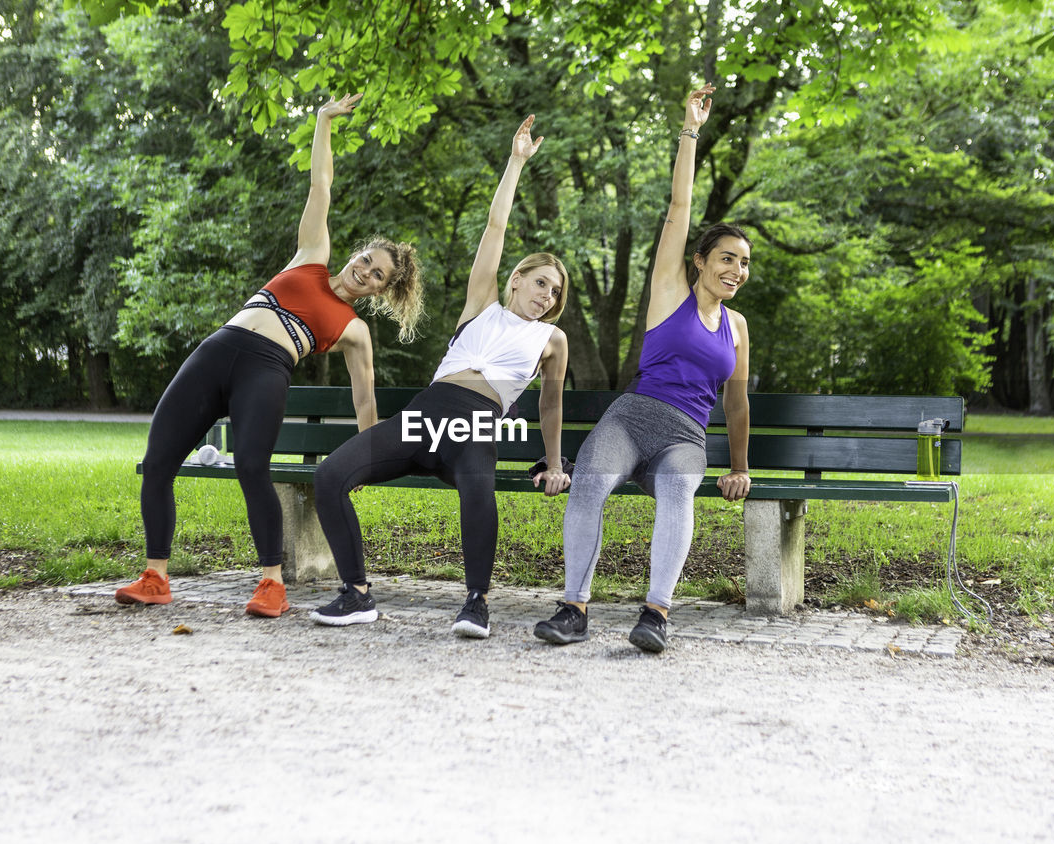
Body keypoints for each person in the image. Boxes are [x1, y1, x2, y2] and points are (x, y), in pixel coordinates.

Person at [115, 92, 424, 618]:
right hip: (216, 350)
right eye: (366, 260)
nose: (366, 272)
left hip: (266, 368)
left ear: (381, 292)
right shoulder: (311, 256)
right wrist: (323, 121)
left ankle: (271, 584)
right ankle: (155, 577)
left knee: (253, 465)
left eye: (378, 276)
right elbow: (320, 185)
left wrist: (369, 458)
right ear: (355, 253)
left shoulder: (354, 331)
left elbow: (364, 400)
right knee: (158, 460)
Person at [310, 114, 569, 639]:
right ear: (516, 280)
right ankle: (356, 593)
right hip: (424, 416)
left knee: (479, 488)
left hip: (474, 426)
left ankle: (476, 602)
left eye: (556, 293)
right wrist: (515, 162)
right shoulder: (483, 305)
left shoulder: (551, 341)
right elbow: (495, 229)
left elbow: (550, 406)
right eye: (541, 283)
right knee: (330, 475)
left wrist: (556, 463)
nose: (548, 296)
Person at [533, 84, 752, 653]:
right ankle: (573, 609)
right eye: (727, 257)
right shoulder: (669, 291)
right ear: (701, 260)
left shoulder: (738, 327)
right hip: (630, 420)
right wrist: (690, 130)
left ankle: (655, 614)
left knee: (678, 492)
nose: (736, 269)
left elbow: (736, 402)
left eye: (744, 263)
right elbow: (680, 208)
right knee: (588, 486)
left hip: (685, 436)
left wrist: (740, 466)